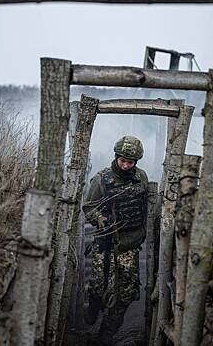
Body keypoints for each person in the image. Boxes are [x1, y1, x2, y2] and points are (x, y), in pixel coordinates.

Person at [82, 135, 149, 344]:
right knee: (98, 287)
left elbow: (146, 205)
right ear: (116, 156)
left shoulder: (142, 178)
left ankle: (107, 332)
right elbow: (88, 207)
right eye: (122, 160)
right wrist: (101, 220)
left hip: (129, 245)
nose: (126, 165)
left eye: (130, 162)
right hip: (106, 244)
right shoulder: (102, 179)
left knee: (127, 293)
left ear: (136, 162)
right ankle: (92, 306)